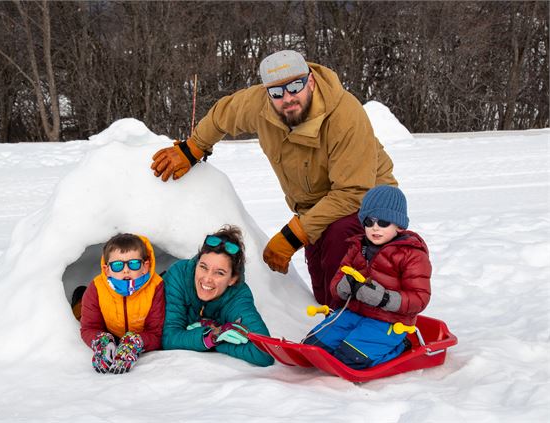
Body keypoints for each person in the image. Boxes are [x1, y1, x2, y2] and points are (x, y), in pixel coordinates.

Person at [150, 49, 397, 309]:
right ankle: (336, 317)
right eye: (277, 93)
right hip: (315, 207)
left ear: (310, 81)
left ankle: (365, 317)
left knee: (341, 258)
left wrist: (293, 235)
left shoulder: (345, 116)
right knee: (325, 292)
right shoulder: (261, 105)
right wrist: (193, 149)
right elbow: (223, 114)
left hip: (368, 203)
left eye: (295, 87)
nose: (287, 98)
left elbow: (353, 191)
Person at [302, 185, 431, 369]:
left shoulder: (412, 254)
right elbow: (337, 282)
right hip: (354, 314)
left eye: (384, 222)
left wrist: (384, 298)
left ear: (398, 224)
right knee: (312, 347)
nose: (375, 228)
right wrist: (343, 286)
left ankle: (400, 346)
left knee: (349, 360)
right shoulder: (357, 247)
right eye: (369, 222)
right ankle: (353, 340)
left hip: (389, 322)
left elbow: (420, 298)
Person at [162, 225, 274, 367]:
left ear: (232, 279)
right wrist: (211, 335)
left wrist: (216, 339)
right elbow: (169, 337)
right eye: (203, 267)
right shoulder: (179, 275)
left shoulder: (238, 296)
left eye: (219, 273)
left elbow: (264, 352)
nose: (208, 278)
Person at [78, 233, 165, 374]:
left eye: (134, 264)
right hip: (110, 330)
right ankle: (77, 301)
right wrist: (101, 341)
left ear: (145, 266)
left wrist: (136, 342)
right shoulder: (96, 288)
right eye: (118, 265)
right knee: (80, 310)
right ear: (107, 270)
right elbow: (89, 327)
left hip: (139, 335)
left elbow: (157, 333)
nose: (126, 270)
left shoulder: (156, 288)